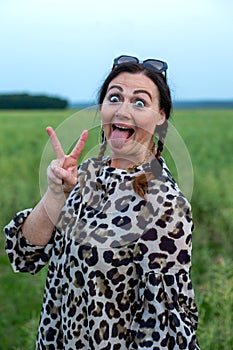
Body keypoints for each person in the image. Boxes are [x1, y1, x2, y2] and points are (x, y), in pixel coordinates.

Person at [4, 55, 200, 349]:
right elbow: (24, 255)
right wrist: (56, 193)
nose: (123, 110)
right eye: (114, 98)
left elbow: (163, 329)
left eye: (140, 102)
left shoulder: (164, 203)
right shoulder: (84, 175)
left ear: (161, 115)